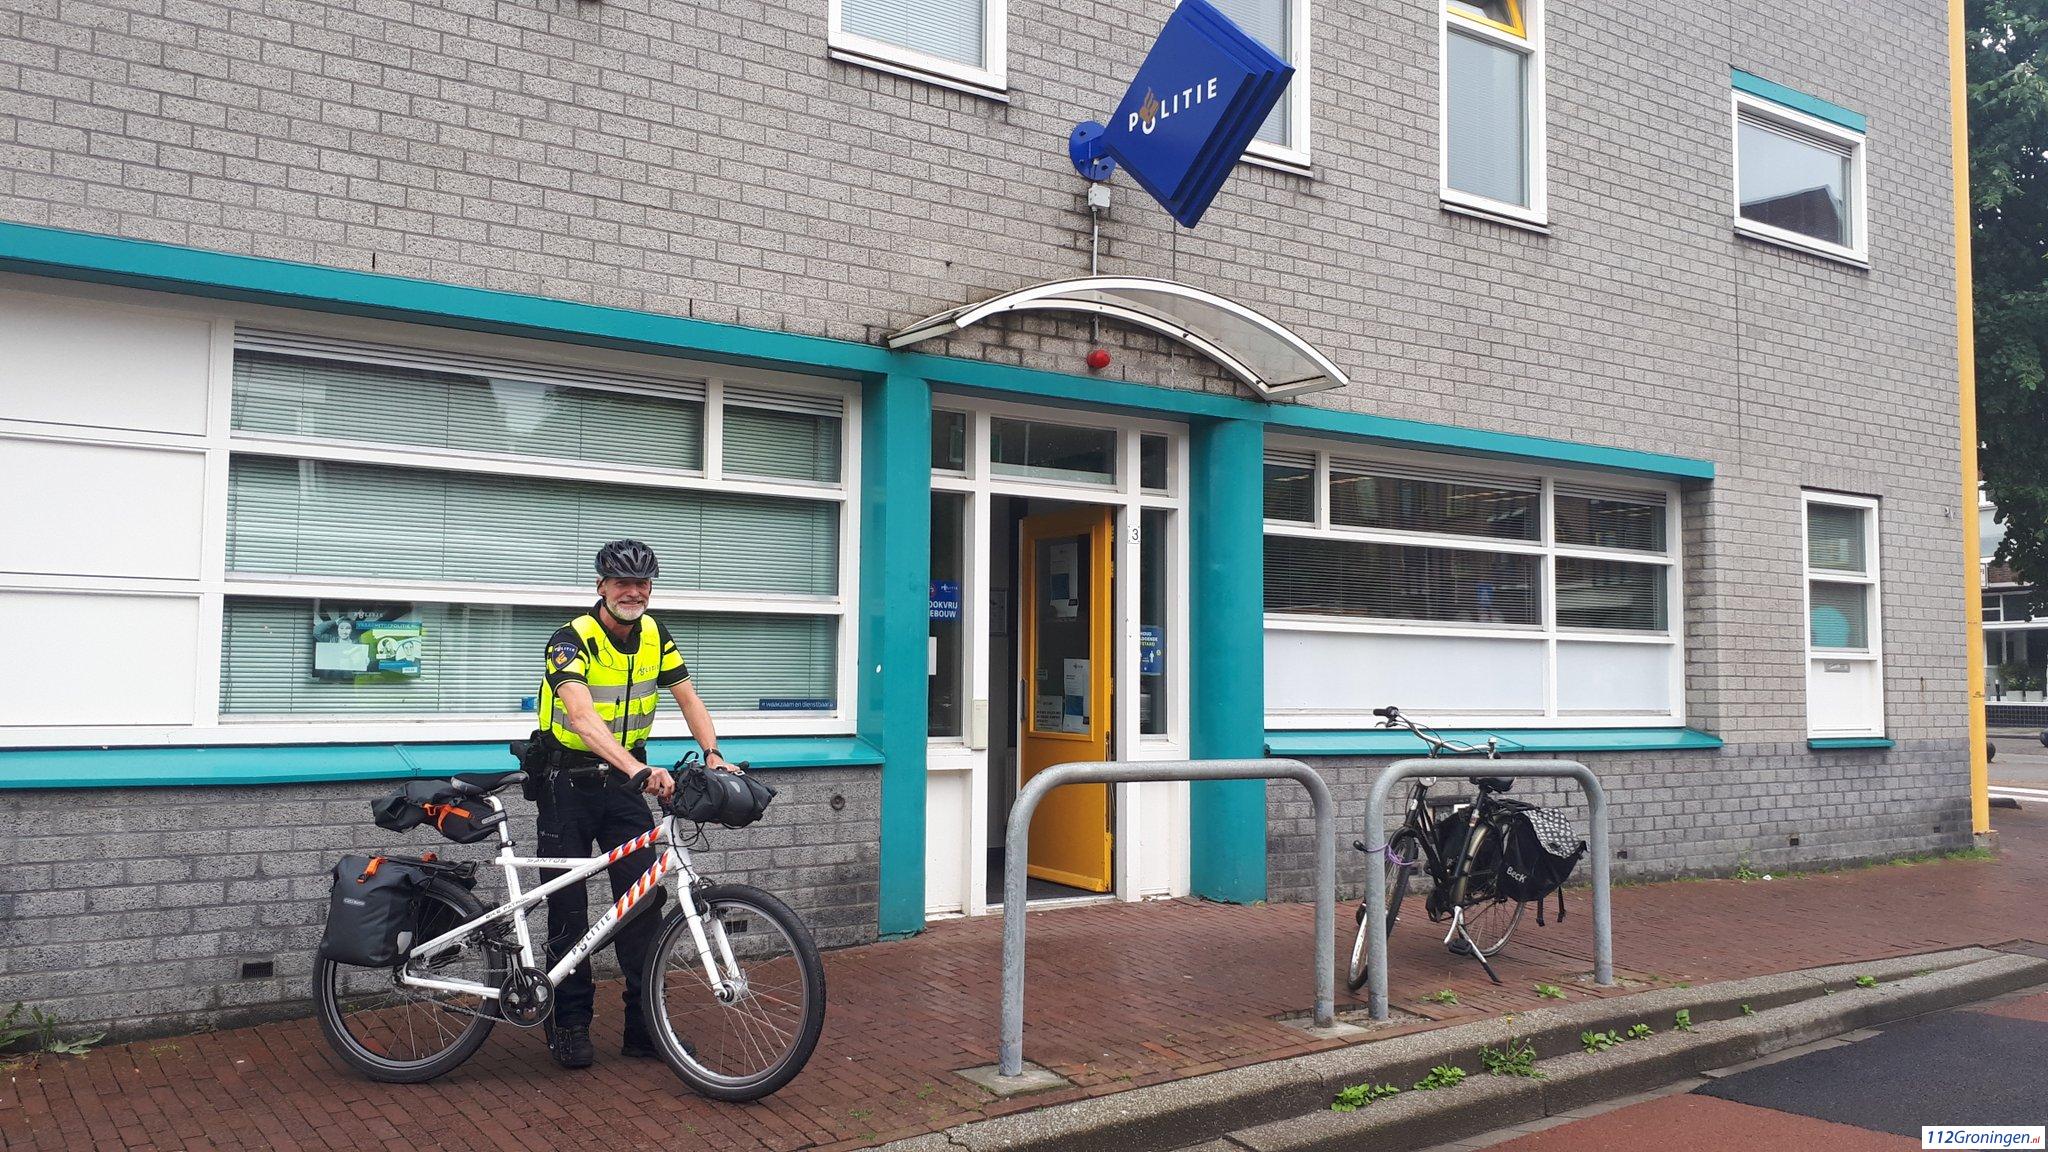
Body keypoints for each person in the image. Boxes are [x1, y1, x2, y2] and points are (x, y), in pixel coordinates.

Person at [531, 538, 736, 1069]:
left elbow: (689, 697)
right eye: (622, 582)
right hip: (567, 787)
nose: (633, 591)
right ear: (600, 586)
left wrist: (713, 754)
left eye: (642, 583)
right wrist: (638, 769)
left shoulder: (655, 636)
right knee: (568, 912)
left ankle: (645, 1031)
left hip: (623, 790)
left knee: (643, 908)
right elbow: (581, 717)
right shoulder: (569, 640)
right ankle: (570, 1026)